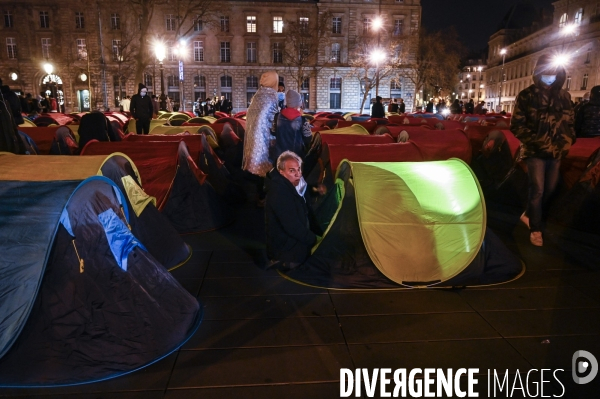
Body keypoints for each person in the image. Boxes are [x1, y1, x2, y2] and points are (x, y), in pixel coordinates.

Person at [510, 53, 576, 247]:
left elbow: (571, 123)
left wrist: (567, 142)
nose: (550, 76)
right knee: (537, 189)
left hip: (556, 152)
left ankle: (529, 214)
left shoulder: (564, 96)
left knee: (550, 188)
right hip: (535, 151)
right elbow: (517, 125)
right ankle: (535, 229)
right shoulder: (526, 96)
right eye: (547, 72)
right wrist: (536, 141)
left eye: (554, 72)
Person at [265, 151, 320, 269]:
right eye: (292, 170)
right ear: (281, 172)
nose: (298, 174)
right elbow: (293, 227)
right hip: (287, 253)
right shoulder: (280, 193)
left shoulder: (287, 186)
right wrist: (315, 239)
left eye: (299, 169)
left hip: (289, 245)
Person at [243, 70, 280, 206]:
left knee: (256, 168)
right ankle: (263, 198)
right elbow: (274, 121)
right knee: (265, 169)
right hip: (265, 139)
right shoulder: (271, 97)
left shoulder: (258, 96)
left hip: (253, 139)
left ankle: (257, 196)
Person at [271, 89, 312, 164]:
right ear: (298, 104)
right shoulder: (303, 120)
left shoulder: (277, 117)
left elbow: (273, 132)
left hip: (279, 156)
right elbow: (308, 138)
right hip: (296, 157)